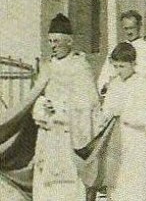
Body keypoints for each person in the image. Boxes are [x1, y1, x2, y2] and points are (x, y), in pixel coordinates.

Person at [32, 14, 99, 201]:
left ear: (70, 41)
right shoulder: (47, 67)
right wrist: (42, 107)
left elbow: (88, 105)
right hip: (48, 136)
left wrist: (62, 110)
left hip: (69, 138)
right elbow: (37, 97)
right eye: (50, 41)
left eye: (57, 41)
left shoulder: (80, 67)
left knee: (67, 189)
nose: (53, 45)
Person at [100, 42, 146, 200]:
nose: (119, 71)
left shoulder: (143, 86)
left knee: (133, 186)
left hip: (135, 141)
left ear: (134, 64)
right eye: (116, 66)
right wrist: (105, 116)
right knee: (115, 185)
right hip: (116, 141)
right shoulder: (114, 85)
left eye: (123, 67)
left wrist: (123, 114)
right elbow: (107, 111)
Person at [97, 10, 146, 96]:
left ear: (139, 26)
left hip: (138, 97)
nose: (129, 32)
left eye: (132, 28)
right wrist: (106, 87)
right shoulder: (116, 49)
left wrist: (117, 83)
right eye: (126, 28)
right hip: (115, 96)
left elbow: (145, 76)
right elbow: (105, 74)